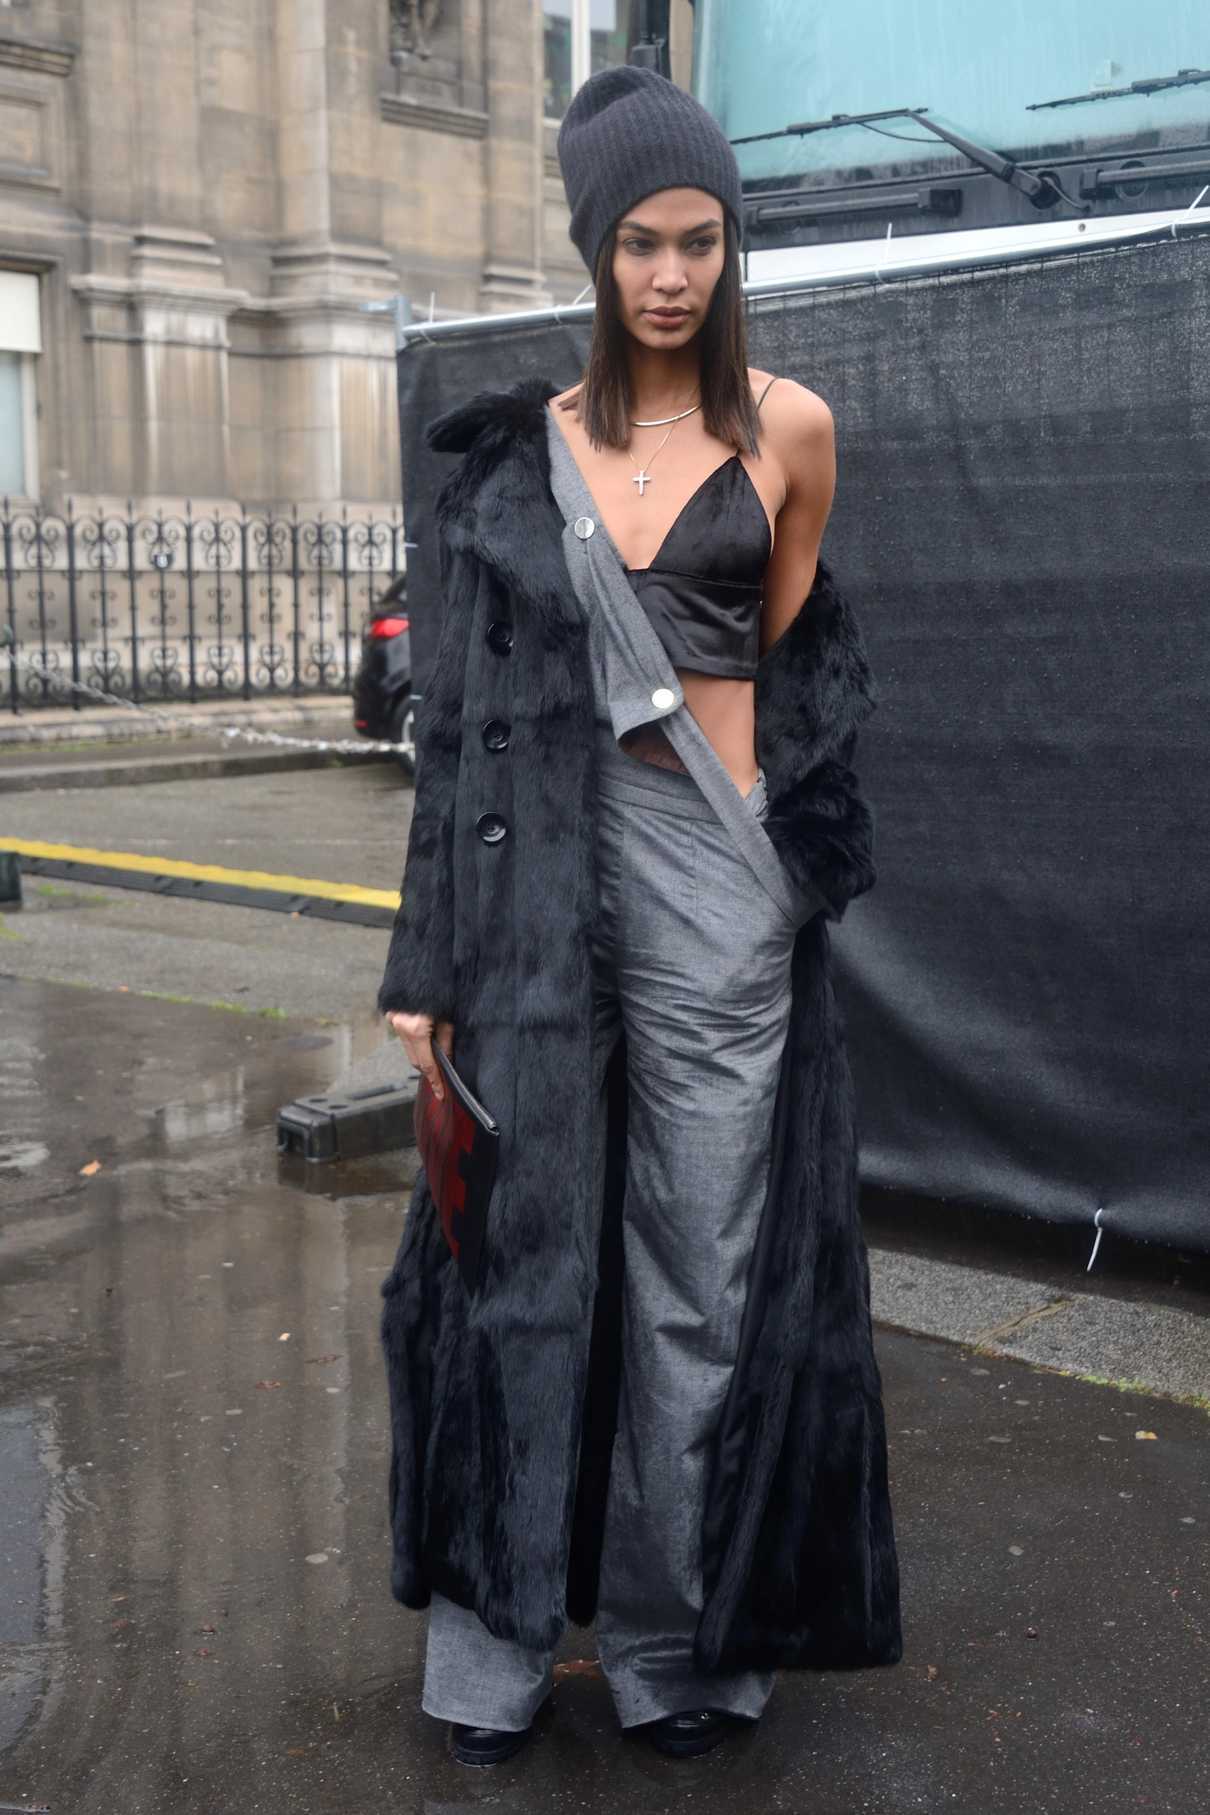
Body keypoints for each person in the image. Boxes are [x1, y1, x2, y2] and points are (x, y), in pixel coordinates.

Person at [378, 64, 902, 1768]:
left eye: (699, 240)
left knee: (705, 1264)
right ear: (595, 253)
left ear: (729, 244)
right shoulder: (513, 458)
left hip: (718, 895)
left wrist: (778, 846)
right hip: (535, 883)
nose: (670, 274)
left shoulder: (793, 431)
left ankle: (680, 1642)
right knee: (516, 1252)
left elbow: (795, 661)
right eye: (637, 243)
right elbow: (449, 733)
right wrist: (426, 965)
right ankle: (496, 1648)